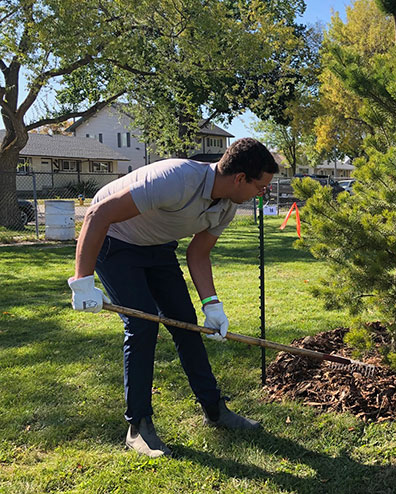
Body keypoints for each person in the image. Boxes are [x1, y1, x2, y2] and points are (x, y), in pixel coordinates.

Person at [68, 138, 278, 457]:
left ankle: (215, 410)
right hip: (116, 242)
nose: (262, 193)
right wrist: (82, 282)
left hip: (158, 248)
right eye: (260, 186)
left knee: (186, 325)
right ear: (239, 179)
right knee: (142, 326)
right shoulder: (176, 178)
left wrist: (213, 305)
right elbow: (97, 215)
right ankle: (138, 426)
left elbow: (198, 253)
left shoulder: (227, 206)